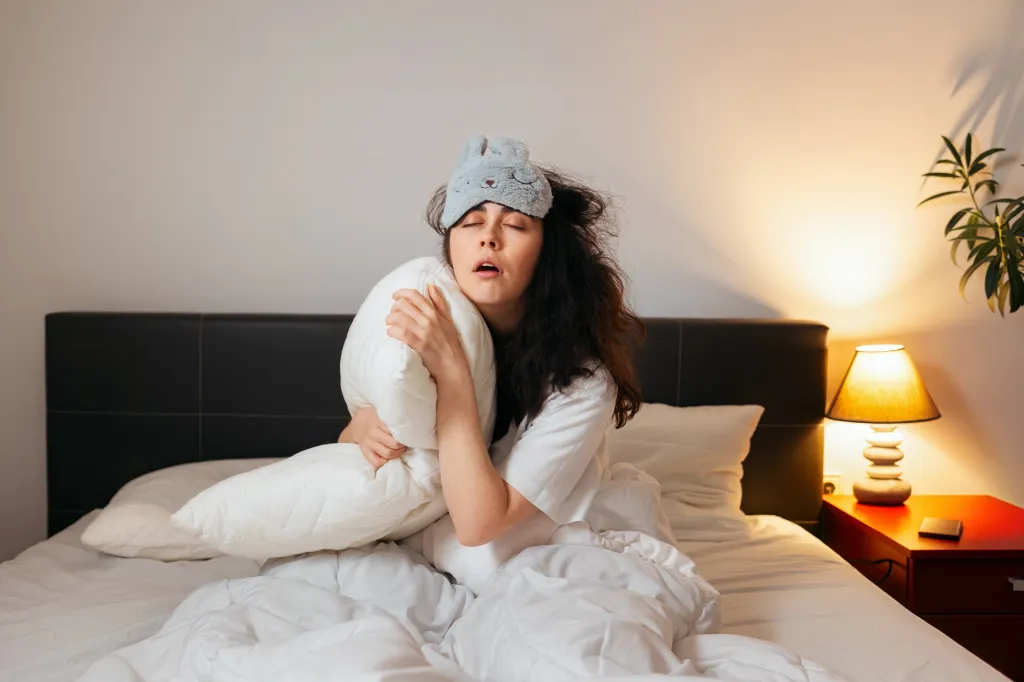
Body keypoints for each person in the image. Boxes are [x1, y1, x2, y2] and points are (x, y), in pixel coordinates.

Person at [338, 135, 643, 572]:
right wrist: (360, 427)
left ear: (547, 254)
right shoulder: (428, 328)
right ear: (450, 248)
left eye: (515, 225)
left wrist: (454, 379)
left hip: (544, 549)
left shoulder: (584, 381)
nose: (489, 239)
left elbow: (479, 526)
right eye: (470, 224)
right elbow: (351, 456)